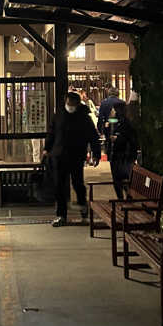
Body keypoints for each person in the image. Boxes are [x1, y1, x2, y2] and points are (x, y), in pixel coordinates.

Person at [43, 90, 101, 227]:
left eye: (72, 103)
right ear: (65, 101)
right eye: (68, 103)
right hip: (59, 155)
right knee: (59, 185)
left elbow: (93, 136)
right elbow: (52, 132)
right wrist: (47, 148)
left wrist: (96, 153)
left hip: (76, 156)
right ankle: (61, 215)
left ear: (77, 104)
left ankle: (83, 209)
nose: (70, 105)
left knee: (78, 184)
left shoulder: (84, 117)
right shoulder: (59, 115)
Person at [108, 101, 139, 198]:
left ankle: (126, 199)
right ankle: (122, 199)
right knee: (119, 180)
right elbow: (110, 129)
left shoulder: (127, 123)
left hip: (124, 155)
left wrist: (118, 138)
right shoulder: (118, 121)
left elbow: (131, 139)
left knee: (123, 179)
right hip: (118, 155)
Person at [97, 92, 124, 159]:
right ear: (118, 94)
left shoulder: (104, 102)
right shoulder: (122, 102)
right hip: (119, 127)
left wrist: (100, 129)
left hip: (108, 127)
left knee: (108, 142)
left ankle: (110, 157)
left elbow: (100, 117)